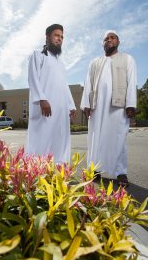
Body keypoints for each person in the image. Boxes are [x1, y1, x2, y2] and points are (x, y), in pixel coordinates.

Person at [80, 30, 137, 187]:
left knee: (117, 138)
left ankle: (120, 172)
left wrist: (131, 104)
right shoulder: (95, 62)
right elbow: (88, 83)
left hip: (118, 106)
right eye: (106, 38)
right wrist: (86, 104)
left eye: (112, 38)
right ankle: (94, 169)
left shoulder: (127, 59)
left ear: (118, 41)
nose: (109, 40)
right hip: (97, 106)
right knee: (95, 138)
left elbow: (132, 81)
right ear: (102, 43)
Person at [26, 24, 76, 163]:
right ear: (47, 37)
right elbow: (33, 78)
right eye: (56, 35)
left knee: (59, 138)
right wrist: (42, 99)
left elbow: (64, 85)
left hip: (60, 108)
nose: (59, 39)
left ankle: (57, 169)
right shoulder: (38, 55)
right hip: (44, 106)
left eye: (61, 37)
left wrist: (71, 105)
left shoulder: (60, 63)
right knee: (41, 137)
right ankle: (36, 170)